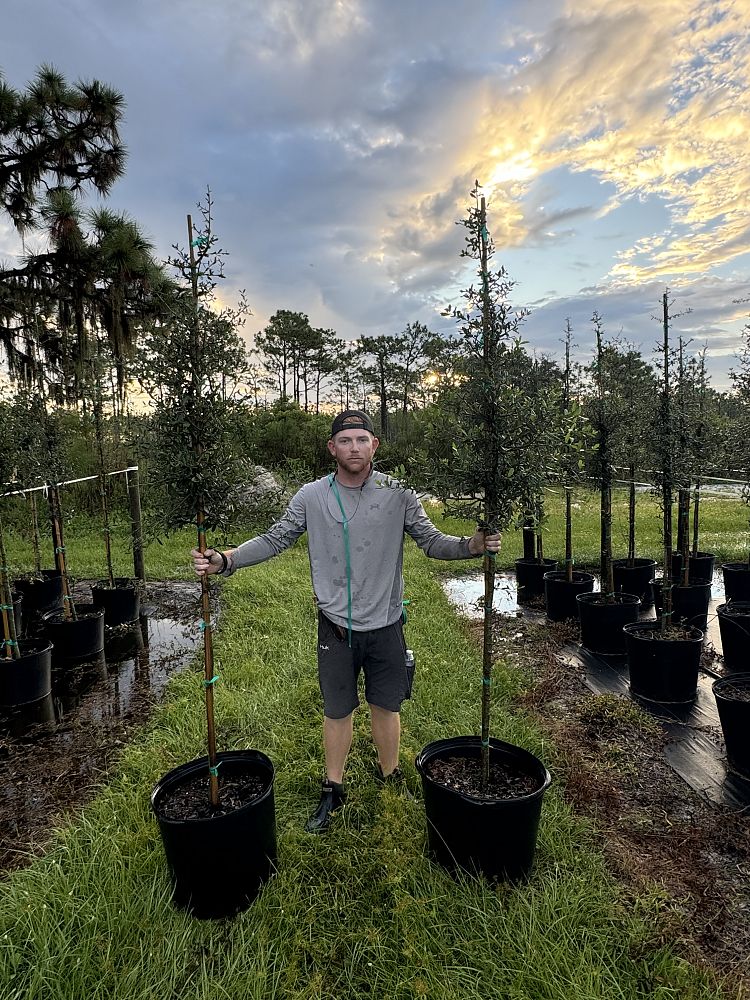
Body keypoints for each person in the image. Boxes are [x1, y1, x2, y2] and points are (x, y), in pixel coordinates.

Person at [192, 409, 501, 833]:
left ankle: (390, 775)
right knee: (337, 710)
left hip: (387, 625)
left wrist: (471, 545)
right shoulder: (311, 496)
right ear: (332, 448)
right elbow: (274, 538)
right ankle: (332, 788)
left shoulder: (398, 493)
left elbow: (431, 542)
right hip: (335, 628)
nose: (354, 447)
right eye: (345, 441)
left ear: (374, 445)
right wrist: (226, 560)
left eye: (361, 440)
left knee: (385, 705)